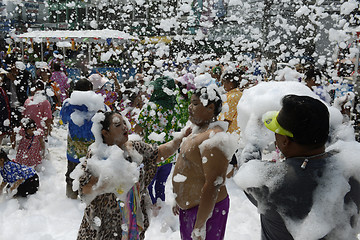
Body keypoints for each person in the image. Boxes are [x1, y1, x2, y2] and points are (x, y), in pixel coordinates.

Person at [237, 94, 360, 240]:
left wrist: (254, 131)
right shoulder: (352, 169)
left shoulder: (270, 182)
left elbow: (246, 165)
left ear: (285, 141)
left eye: (277, 131)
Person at [74, 111, 191, 240]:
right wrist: (100, 184)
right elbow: (83, 190)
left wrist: (178, 140)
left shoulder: (134, 148)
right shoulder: (97, 156)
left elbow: (157, 154)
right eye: (118, 125)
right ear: (105, 133)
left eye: (124, 122)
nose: (124, 127)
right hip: (103, 226)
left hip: (131, 223)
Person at [172, 86, 231, 240]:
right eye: (191, 103)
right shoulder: (196, 130)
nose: (190, 107)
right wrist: (178, 197)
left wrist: (199, 226)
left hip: (207, 212)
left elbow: (214, 184)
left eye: (195, 103)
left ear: (210, 107)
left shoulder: (214, 137)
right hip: (192, 210)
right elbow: (188, 168)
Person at [136, 76, 182, 207]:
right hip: (169, 154)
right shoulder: (175, 108)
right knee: (161, 184)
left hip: (151, 155)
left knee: (148, 184)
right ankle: (160, 207)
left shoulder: (149, 108)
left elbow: (138, 129)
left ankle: (151, 208)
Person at [60, 78, 106, 199]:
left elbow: (63, 120)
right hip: (92, 146)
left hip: (74, 146)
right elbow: (105, 118)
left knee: (72, 172)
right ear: (90, 89)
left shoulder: (68, 104)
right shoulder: (97, 103)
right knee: (91, 173)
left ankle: (71, 196)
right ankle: (89, 197)